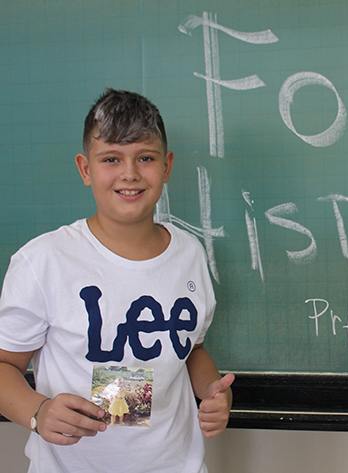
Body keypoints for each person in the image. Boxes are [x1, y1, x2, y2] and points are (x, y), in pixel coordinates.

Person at [0, 89, 234, 472]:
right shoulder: (43, 261)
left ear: (167, 166)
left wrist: (212, 393)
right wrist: (37, 411)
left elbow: (192, 349)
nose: (130, 173)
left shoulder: (189, 254)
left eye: (146, 158)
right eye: (111, 159)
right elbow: (4, 364)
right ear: (85, 169)